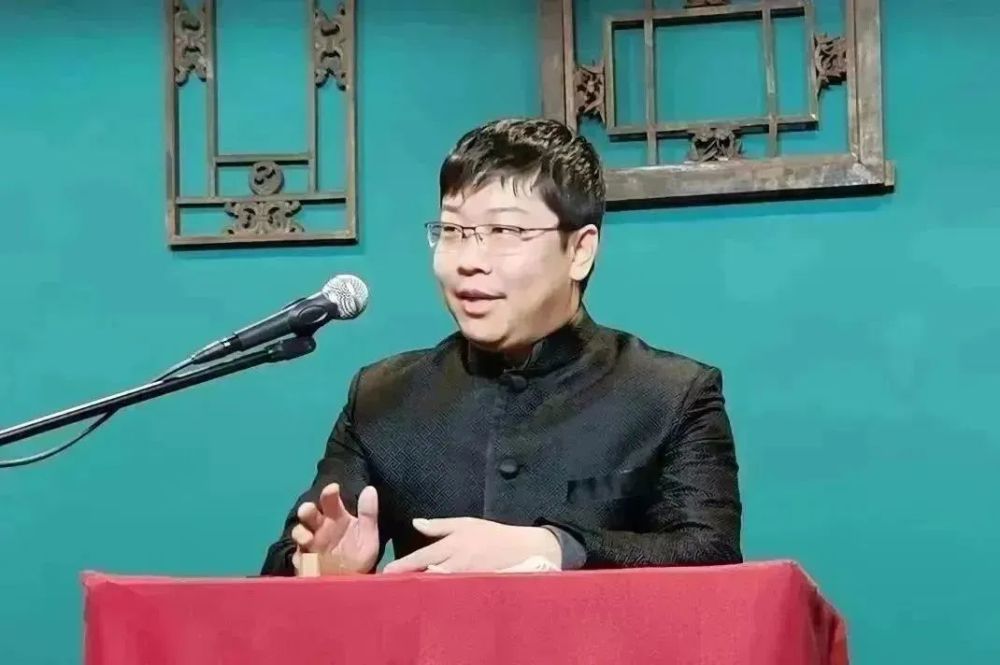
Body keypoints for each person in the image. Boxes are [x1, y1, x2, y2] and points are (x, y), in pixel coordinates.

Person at [260, 117, 742, 576]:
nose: (469, 260)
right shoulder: (382, 396)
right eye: (453, 231)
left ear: (580, 250)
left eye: (505, 232)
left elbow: (710, 553)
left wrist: (554, 548)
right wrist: (320, 567)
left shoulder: (671, 395)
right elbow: (294, 556)